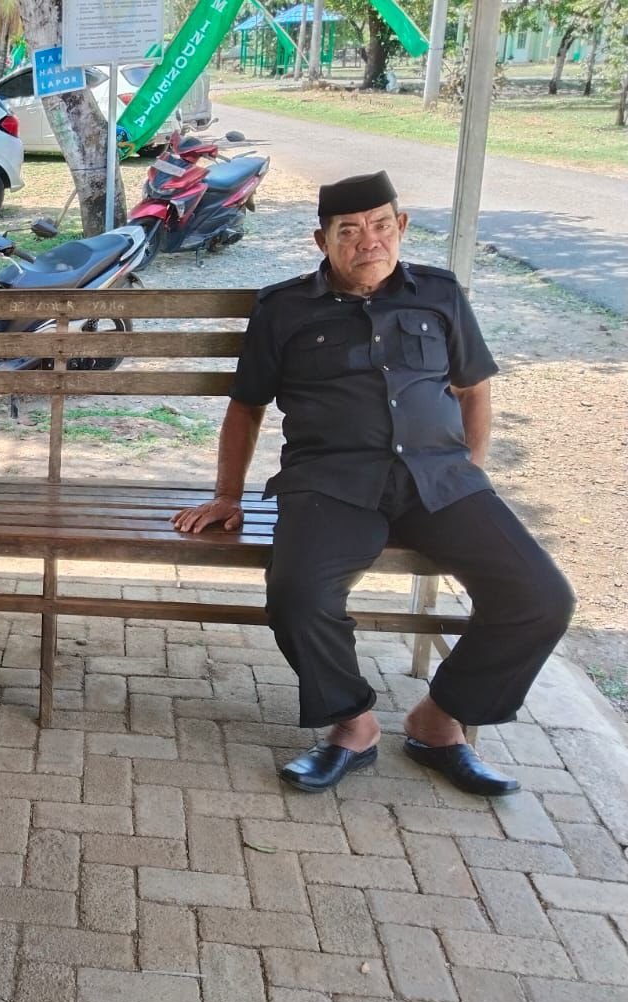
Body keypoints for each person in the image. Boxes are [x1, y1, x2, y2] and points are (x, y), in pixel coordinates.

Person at [172, 172, 573, 797]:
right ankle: (352, 725)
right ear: (322, 240)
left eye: (382, 225)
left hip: (440, 480)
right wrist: (228, 494)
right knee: (299, 597)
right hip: (331, 483)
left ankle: (439, 722)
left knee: (541, 597)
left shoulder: (439, 294)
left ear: (401, 227)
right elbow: (246, 406)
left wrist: (471, 468)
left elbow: (473, 389)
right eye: (350, 231)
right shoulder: (284, 309)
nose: (369, 241)